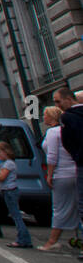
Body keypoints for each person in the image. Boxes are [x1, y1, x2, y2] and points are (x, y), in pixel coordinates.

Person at [39, 106, 78, 251]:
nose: (43, 118)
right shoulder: (66, 130)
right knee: (77, 205)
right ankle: (75, 236)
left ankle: (52, 241)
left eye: (45, 115)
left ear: (51, 116)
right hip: (74, 171)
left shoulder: (52, 132)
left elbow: (52, 156)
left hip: (61, 173)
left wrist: (50, 174)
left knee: (59, 207)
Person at [51, 87, 83, 261]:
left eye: (58, 101)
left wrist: (77, 156)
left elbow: (68, 143)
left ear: (69, 99)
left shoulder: (67, 117)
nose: (57, 105)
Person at [0, 141, 33, 249]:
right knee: (15, 215)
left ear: (6, 151)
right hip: (6, 190)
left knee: (16, 216)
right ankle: (23, 238)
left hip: (10, 191)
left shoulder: (9, 163)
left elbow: (1, 177)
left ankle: (23, 239)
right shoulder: (2, 163)